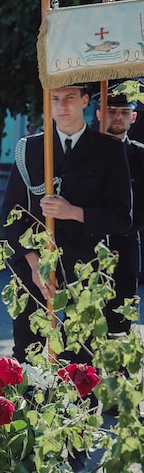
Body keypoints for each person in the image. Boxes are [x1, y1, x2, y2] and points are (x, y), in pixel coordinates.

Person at [2, 83, 132, 364]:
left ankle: (78, 407)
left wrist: (73, 211)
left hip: (86, 266)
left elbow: (121, 217)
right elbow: (11, 217)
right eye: (55, 99)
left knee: (82, 357)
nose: (62, 106)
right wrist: (36, 267)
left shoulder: (107, 150)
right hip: (35, 267)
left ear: (85, 100)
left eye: (70, 98)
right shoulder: (31, 149)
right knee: (28, 351)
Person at [96, 87, 144, 335]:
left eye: (124, 112)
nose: (117, 116)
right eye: (111, 110)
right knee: (84, 323)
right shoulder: (83, 152)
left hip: (126, 247)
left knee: (120, 325)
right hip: (88, 248)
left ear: (133, 117)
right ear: (98, 114)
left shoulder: (140, 155)